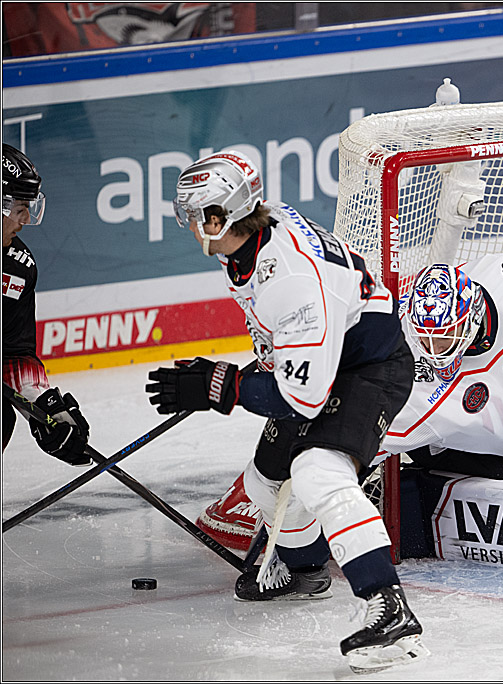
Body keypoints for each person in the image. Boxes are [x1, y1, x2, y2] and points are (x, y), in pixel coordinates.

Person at [197, 255, 503, 564]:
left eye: (446, 338)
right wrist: (282, 494)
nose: (436, 353)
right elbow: (342, 429)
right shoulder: (410, 377)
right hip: (480, 463)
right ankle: (255, 501)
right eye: (427, 340)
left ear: (472, 312)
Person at [144, 150, 427, 672]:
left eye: (195, 215)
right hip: (330, 354)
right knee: (265, 484)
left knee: (317, 470)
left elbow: (303, 398)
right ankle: (304, 570)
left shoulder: (291, 280)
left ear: (218, 218)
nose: (190, 226)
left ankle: (388, 606)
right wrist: (232, 379)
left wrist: (221, 388)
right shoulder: (257, 231)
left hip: (369, 367)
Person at [2, 143, 91, 466]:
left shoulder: (16, 268)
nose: (25, 220)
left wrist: (43, 407)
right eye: (19, 208)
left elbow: (13, 354)